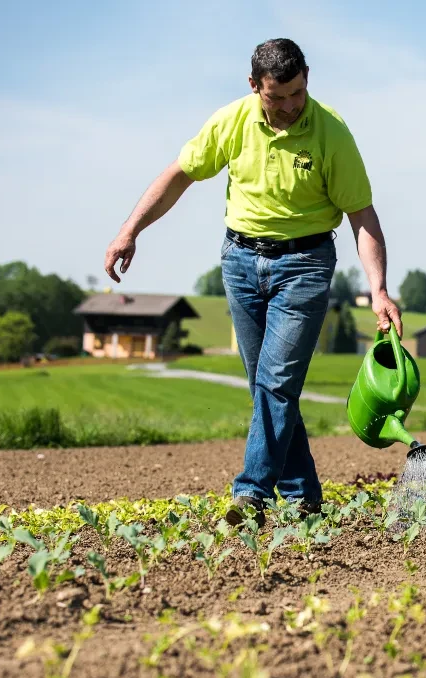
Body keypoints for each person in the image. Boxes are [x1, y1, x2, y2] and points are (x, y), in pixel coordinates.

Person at [102, 38, 401, 527]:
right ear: (253, 86)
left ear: (307, 78)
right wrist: (129, 231)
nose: (288, 107)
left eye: (297, 94)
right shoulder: (232, 121)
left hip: (304, 264)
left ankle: (251, 495)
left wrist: (380, 288)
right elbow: (180, 173)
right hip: (239, 261)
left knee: (276, 383)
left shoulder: (331, 132)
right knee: (266, 387)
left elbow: (362, 216)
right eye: (276, 97)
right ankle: (304, 497)